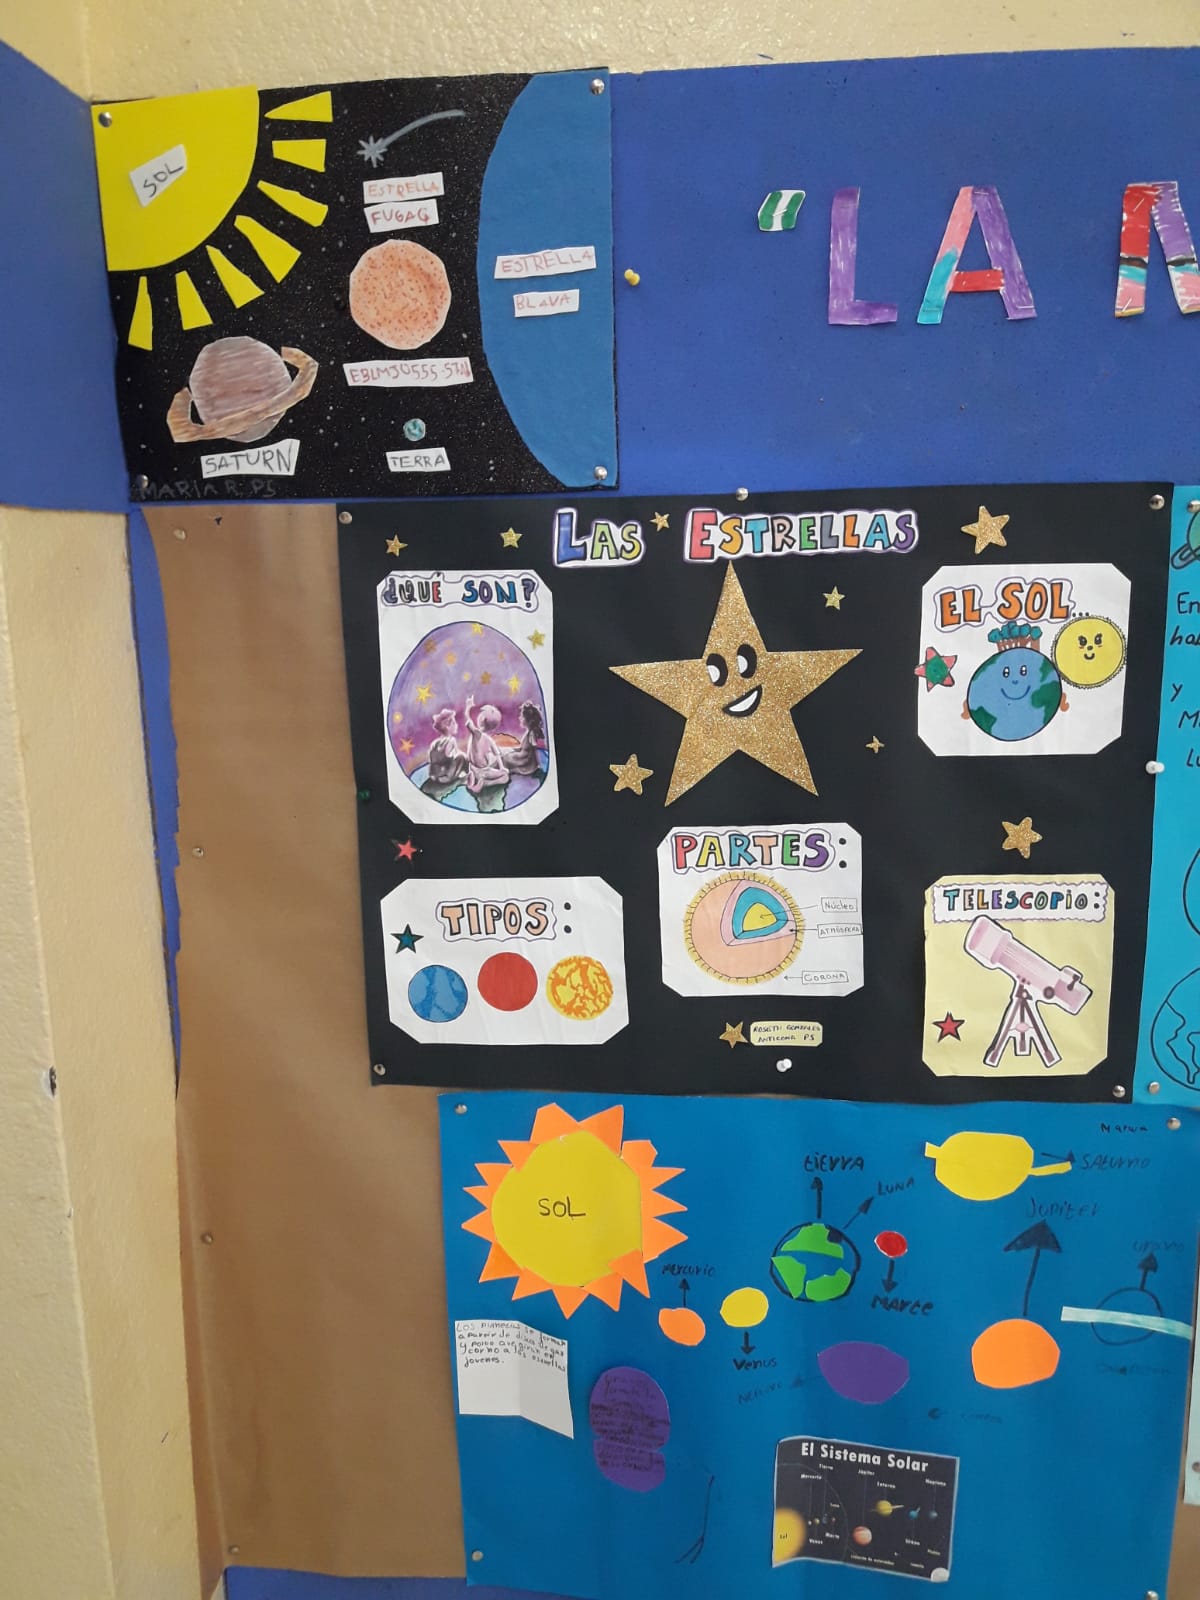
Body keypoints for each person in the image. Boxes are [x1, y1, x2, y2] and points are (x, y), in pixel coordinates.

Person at [463, 695, 509, 794]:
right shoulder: (487, 739)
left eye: (481, 714)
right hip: (483, 771)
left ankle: (475, 778)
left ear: (482, 719)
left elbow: (468, 720)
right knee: (505, 776)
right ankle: (485, 783)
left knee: (488, 770)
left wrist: (468, 707)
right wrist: (501, 768)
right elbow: (497, 754)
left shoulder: (477, 734)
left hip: (474, 768)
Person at [421, 706, 467, 798]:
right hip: (446, 776)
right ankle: (469, 774)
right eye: (454, 723)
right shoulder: (451, 740)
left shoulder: (435, 742)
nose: (456, 725)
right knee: (462, 756)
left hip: (435, 776)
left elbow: (431, 758)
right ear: (447, 726)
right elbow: (449, 755)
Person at [502, 700, 546, 778]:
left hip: (526, 763)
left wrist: (513, 755)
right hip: (522, 758)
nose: (520, 718)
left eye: (522, 717)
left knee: (504, 758)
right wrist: (511, 749)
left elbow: (533, 750)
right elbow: (522, 748)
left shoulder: (531, 734)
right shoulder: (528, 732)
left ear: (528, 720)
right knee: (505, 754)